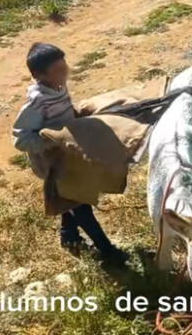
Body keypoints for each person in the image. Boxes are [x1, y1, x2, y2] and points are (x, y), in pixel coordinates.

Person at [12, 42, 129, 264]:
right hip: (54, 162)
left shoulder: (58, 87)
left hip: (68, 157)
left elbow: (63, 114)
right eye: (57, 69)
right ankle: (108, 251)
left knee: (69, 199)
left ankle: (68, 235)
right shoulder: (37, 103)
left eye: (63, 64)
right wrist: (52, 142)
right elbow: (20, 138)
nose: (64, 70)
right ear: (40, 76)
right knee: (80, 204)